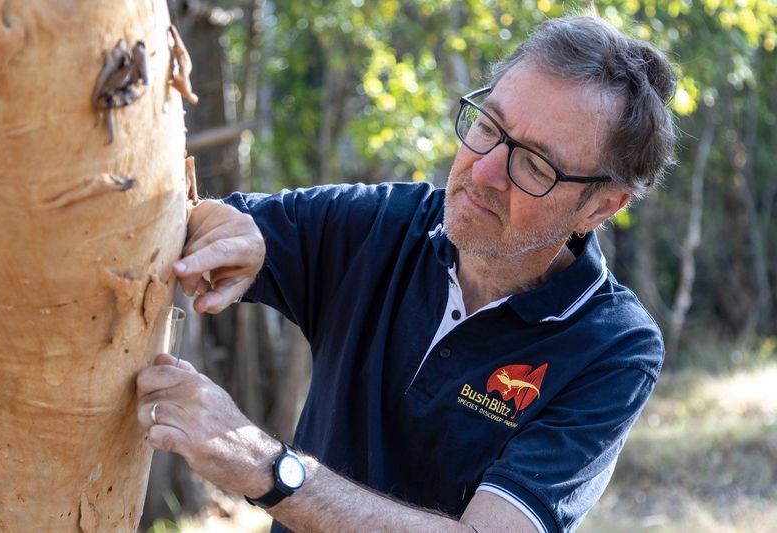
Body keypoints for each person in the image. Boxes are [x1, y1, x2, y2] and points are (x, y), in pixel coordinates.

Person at [136, 14, 677, 533]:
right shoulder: (383, 225)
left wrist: (263, 465)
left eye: (535, 164)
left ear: (600, 207)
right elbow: (209, 226)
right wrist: (226, 233)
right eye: (488, 125)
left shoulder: (612, 344)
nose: (483, 171)